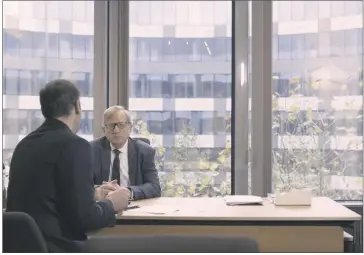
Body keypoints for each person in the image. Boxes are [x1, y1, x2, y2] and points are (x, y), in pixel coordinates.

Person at [6, 79, 130, 252]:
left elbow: (45, 195)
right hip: (57, 247)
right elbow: (84, 219)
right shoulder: (75, 145)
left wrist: (93, 193)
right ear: (77, 106)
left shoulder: (24, 145)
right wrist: (113, 203)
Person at [91, 106, 161, 201]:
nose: (116, 130)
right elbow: (80, 185)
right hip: (102, 207)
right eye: (111, 126)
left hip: (134, 207)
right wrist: (98, 191)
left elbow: (154, 187)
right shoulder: (90, 150)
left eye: (121, 125)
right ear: (104, 130)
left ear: (130, 128)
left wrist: (128, 192)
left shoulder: (144, 151)